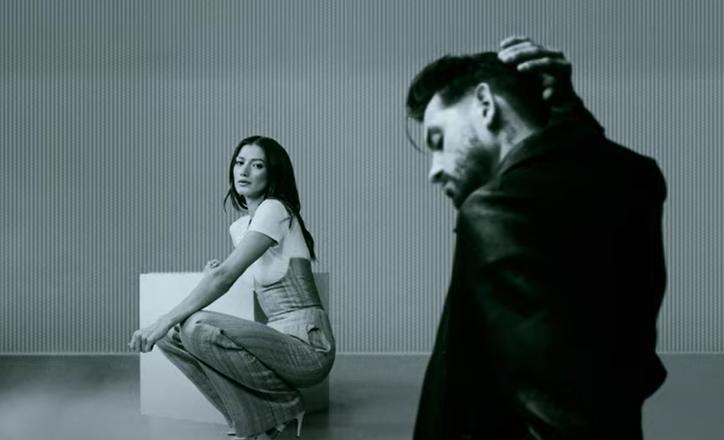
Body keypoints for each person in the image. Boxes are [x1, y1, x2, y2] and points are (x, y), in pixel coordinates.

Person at [406, 37, 667, 439]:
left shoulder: (498, 210)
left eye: (438, 141)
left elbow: (563, 412)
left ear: (485, 104)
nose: (434, 171)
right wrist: (571, 118)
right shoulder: (636, 181)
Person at [129, 135, 335, 440]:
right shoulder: (241, 228)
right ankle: (252, 419)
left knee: (194, 326)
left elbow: (226, 278)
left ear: (273, 174)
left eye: (257, 165)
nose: (245, 171)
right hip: (277, 339)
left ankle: (283, 405)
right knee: (172, 337)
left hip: (308, 346)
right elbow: (246, 277)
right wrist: (213, 275)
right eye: (240, 163)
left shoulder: (275, 209)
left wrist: (164, 318)